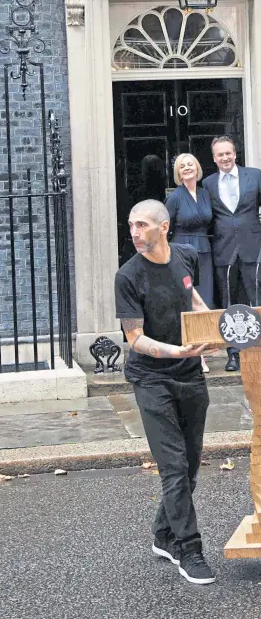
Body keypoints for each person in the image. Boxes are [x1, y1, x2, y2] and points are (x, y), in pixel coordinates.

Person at [114, 199, 217, 586]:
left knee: (189, 468)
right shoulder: (127, 276)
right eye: (131, 225)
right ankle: (189, 549)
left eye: (142, 225)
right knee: (173, 467)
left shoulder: (186, 257)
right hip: (151, 379)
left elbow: (191, 297)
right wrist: (177, 350)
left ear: (164, 227)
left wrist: (210, 329)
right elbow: (135, 338)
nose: (135, 232)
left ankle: (163, 534)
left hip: (190, 375)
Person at [202, 136, 261, 372]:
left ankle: (258, 350)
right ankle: (234, 354)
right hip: (224, 251)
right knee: (230, 304)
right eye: (220, 155)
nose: (225, 158)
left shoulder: (255, 175)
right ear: (214, 158)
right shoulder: (207, 184)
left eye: (228, 153)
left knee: (257, 300)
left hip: (253, 247)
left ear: (235, 154)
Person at [165, 154, 213, 373]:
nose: (186, 168)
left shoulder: (205, 193)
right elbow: (164, 228)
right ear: (178, 172)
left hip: (204, 252)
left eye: (190, 164)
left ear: (197, 167)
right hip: (183, 252)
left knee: (204, 302)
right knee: (189, 304)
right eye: (181, 166)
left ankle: (202, 351)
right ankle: (195, 357)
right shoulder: (175, 197)